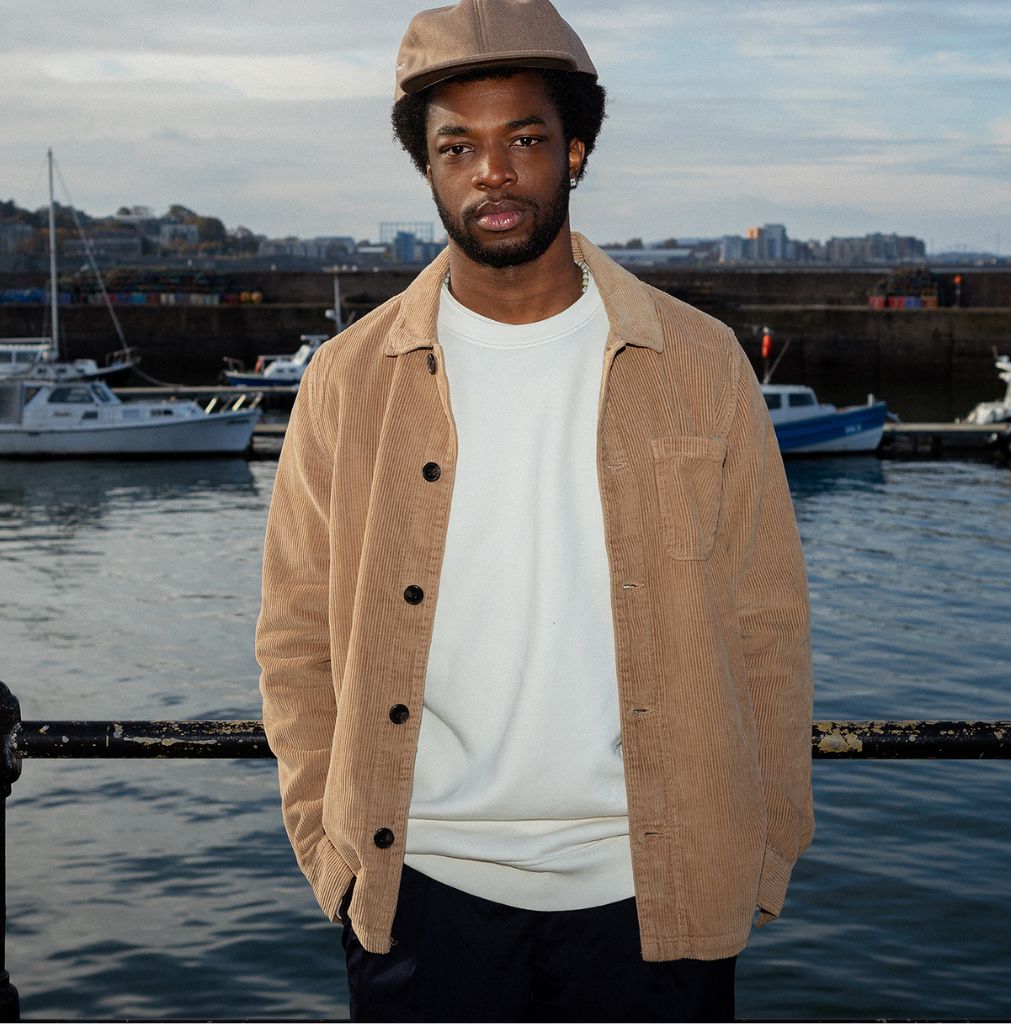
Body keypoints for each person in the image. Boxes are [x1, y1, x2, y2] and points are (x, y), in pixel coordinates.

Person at [257, 1, 814, 1020]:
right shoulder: (347, 380)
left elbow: (766, 618)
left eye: (524, 139)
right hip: (422, 892)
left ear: (577, 152)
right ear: (426, 168)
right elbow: (295, 632)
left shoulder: (698, 364)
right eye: (457, 146)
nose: (493, 173)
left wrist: (767, 841)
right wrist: (329, 855)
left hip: (659, 890)